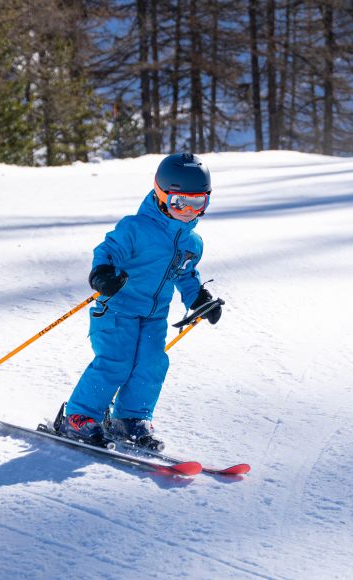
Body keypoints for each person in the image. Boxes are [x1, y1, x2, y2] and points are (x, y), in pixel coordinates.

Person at [56, 152, 223, 449]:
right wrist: (103, 273)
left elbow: (184, 274)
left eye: (198, 203)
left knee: (151, 364)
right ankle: (79, 417)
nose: (188, 211)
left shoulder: (192, 242)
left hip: (154, 316)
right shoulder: (134, 228)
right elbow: (108, 251)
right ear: (161, 196)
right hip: (117, 309)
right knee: (116, 362)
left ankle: (129, 419)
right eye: (179, 203)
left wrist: (198, 297)